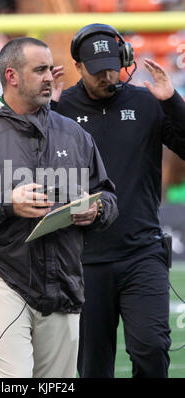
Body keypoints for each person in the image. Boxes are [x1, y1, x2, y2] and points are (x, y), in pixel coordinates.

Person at [0, 37, 118, 378]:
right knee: (14, 378)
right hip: (3, 272)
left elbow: (106, 195)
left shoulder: (75, 134)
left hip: (62, 277)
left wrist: (98, 211)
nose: (50, 76)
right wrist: (6, 203)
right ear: (12, 76)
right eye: (40, 69)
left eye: (50, 68)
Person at [51, 23, 185, 378]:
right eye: (97, 70)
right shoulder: (58, 109)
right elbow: (33, 164)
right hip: (82, 261)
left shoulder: (146, 101)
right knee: (93, 367)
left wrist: (173, 101)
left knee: (153, 348)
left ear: (124, 59)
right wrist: (43, 115)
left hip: (143, 252)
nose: (108, 75)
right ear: (78, 67)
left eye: (113, 65)